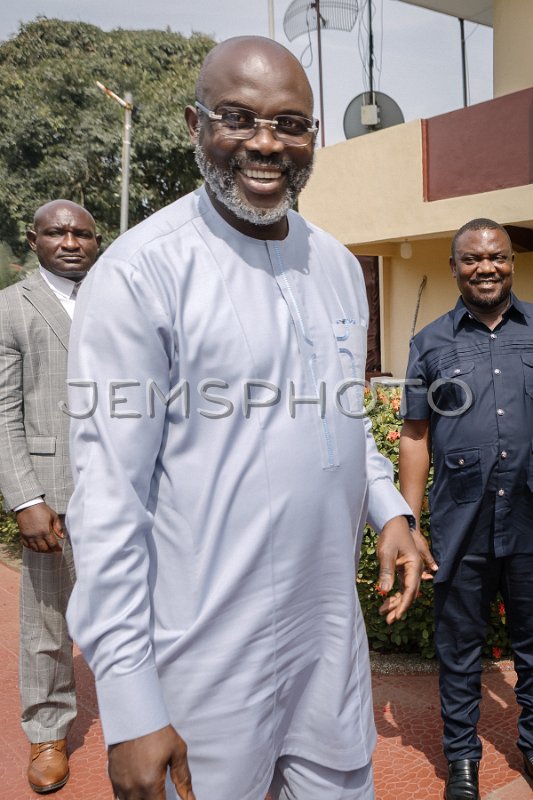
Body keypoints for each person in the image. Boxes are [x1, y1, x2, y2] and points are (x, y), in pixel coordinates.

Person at [65, 36, 421, 800]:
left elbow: (339, 416)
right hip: (203, 660)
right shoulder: (140, 273)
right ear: (196, 124)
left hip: (327, 646)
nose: (265, 143)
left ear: (312, 137)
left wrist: (387, 507)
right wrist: (129, 703)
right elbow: (108, 502)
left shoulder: (336, 265)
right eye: (238, 118)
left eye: (289, 124)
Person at [399, 218, 533, 800]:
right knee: (458, 650)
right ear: (454, 267)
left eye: (496, 257)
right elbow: (415, 434)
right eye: (473, 259)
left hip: (530, 519)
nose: (486, 268)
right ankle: (462, 760)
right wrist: (408, 523)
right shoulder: (429, 342)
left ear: (511, 262)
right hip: (462, 521)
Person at [0, 200, 101, 793]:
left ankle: (150, 717)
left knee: (143, 610)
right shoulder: (11, 308)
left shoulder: (118, 299)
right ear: (33, 238)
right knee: (46, 624)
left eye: (81, 233)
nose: (70, 242)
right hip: (52, 493)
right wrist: (24, 498)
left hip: (125, 491)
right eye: (57, 232)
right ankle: (47, 731)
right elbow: (2, 411)